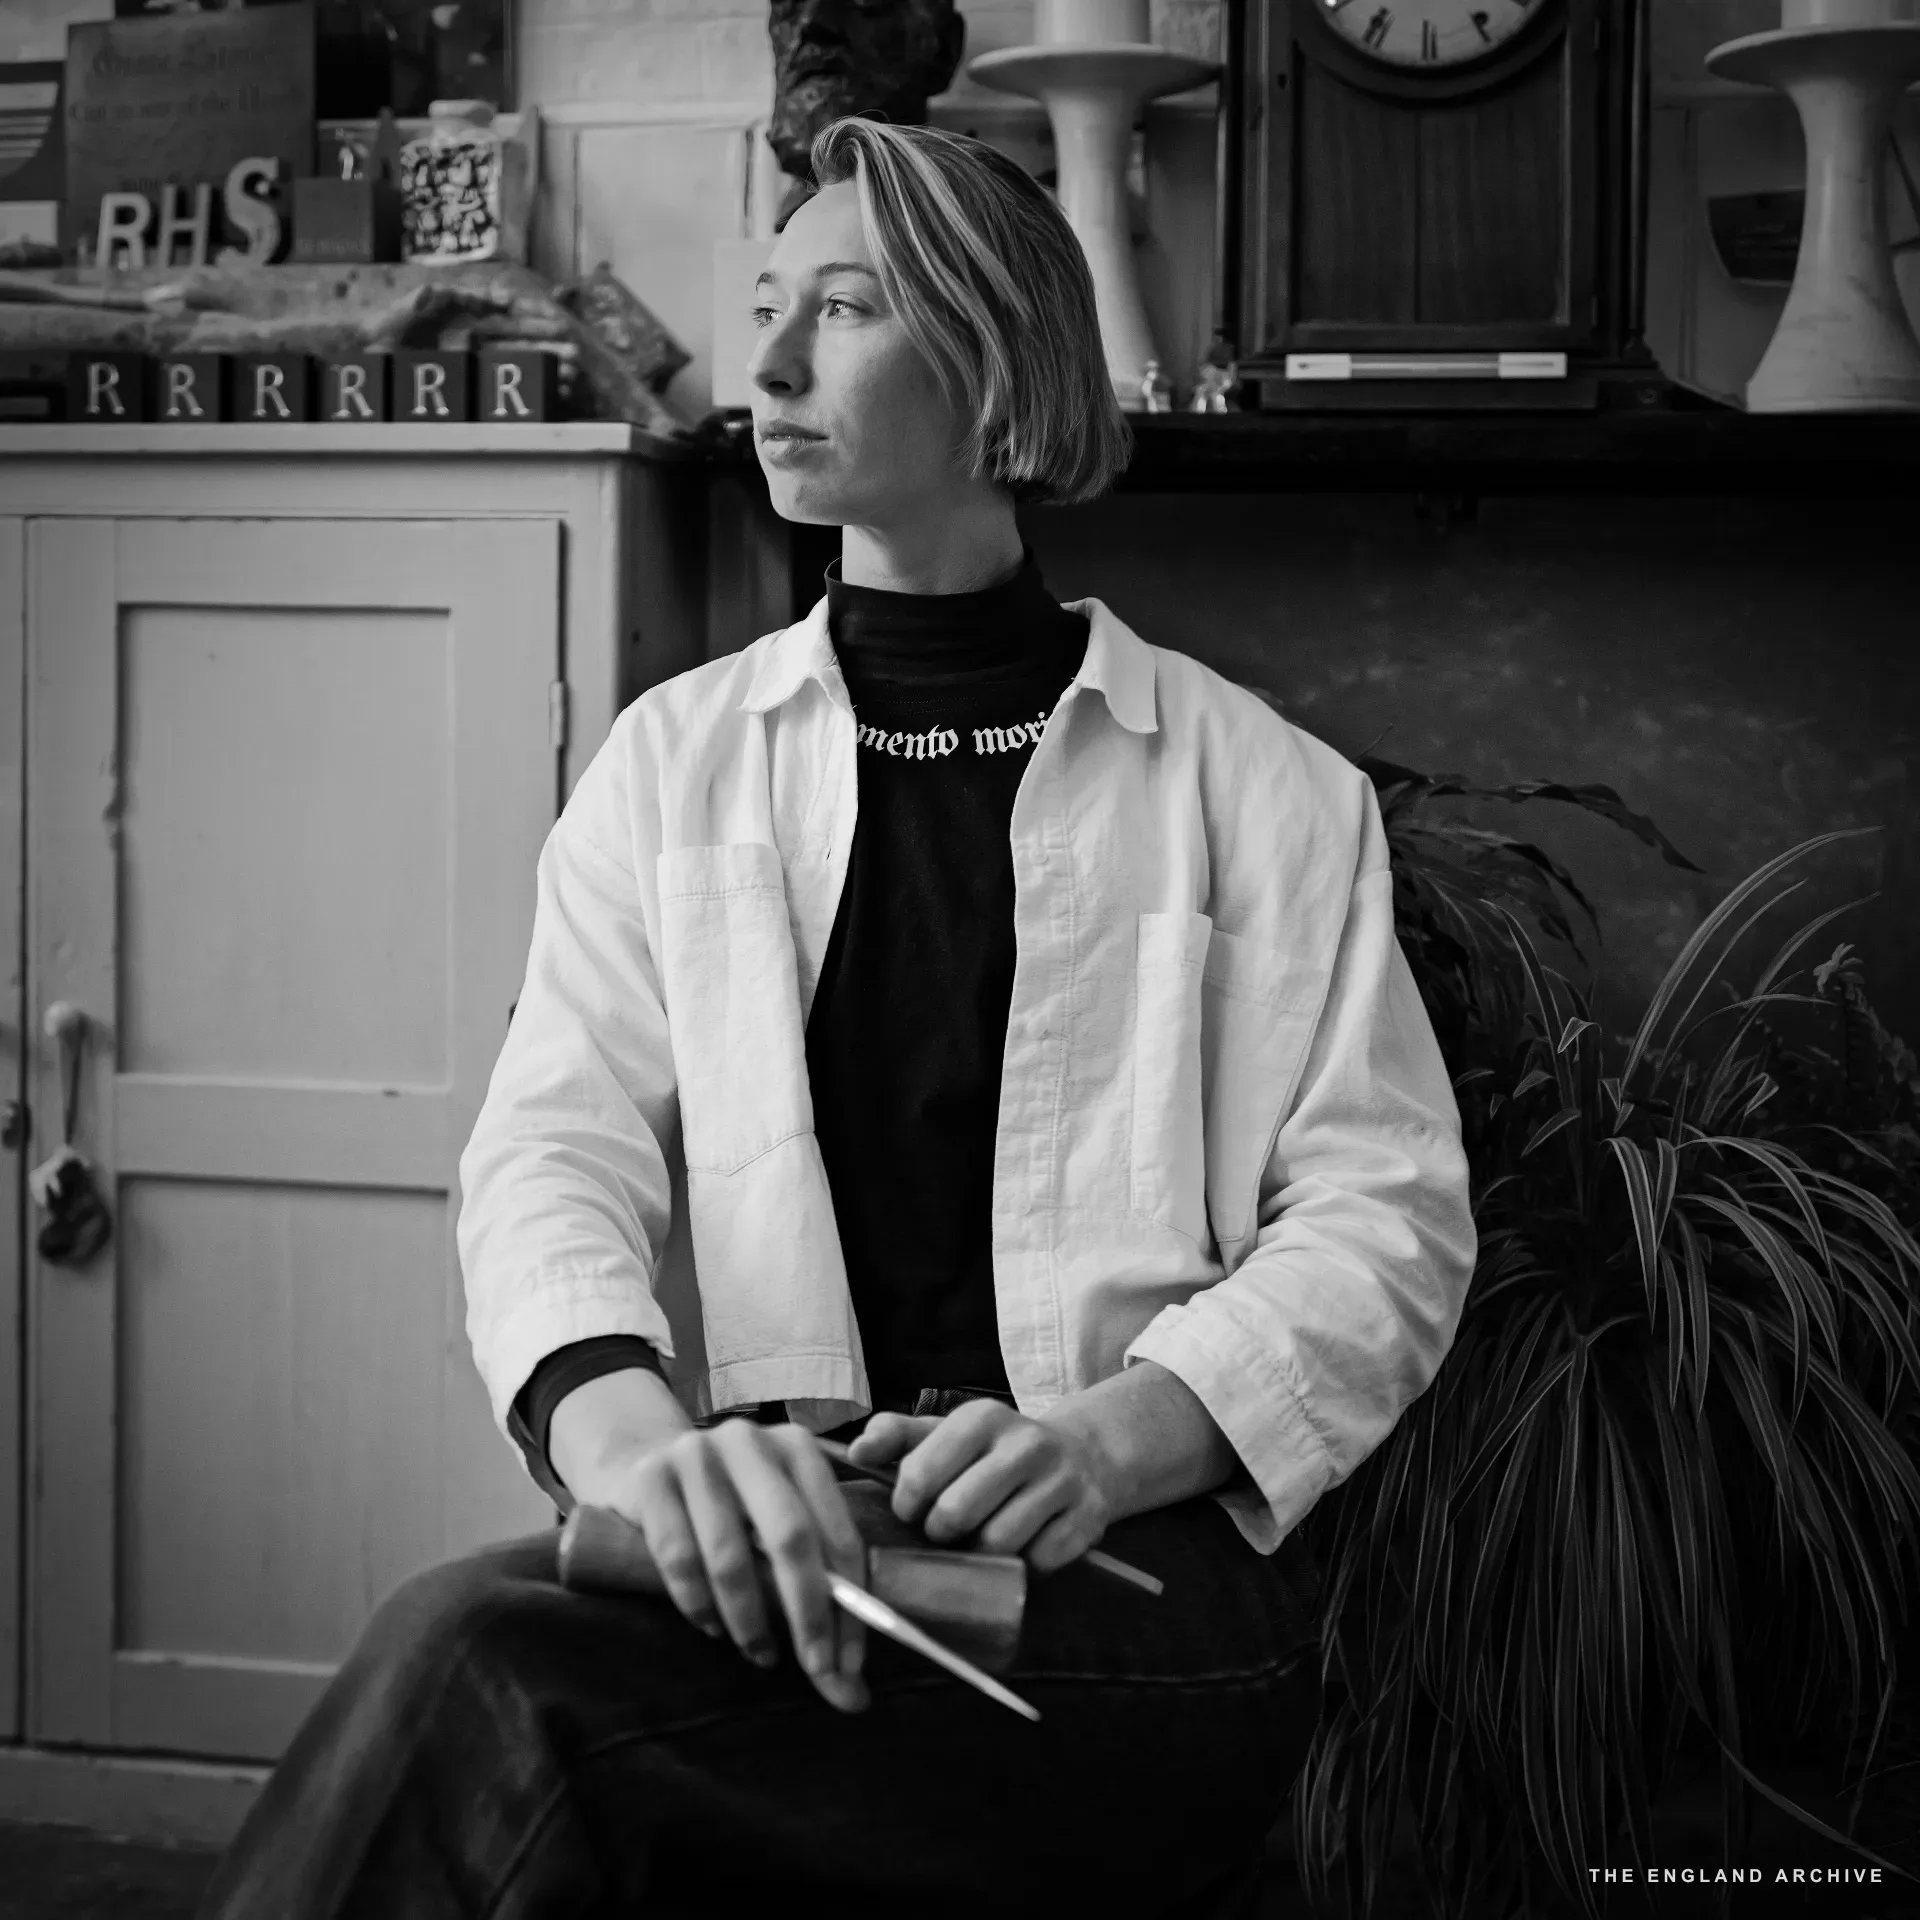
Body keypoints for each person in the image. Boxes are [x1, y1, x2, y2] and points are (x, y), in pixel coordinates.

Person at [197, 119, 1475, 1920]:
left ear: (997, 358)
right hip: (788, 1542)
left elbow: (1386, 1221)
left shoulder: (1263, 789)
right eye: (766, 309)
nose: (773, 366)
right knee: (490, 1661)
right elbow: (551, 1153)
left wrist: (1102, 1443)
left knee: (485, 1672)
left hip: (1133, 1575)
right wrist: (652, 1465)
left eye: (849, 310)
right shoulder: (672, 764)